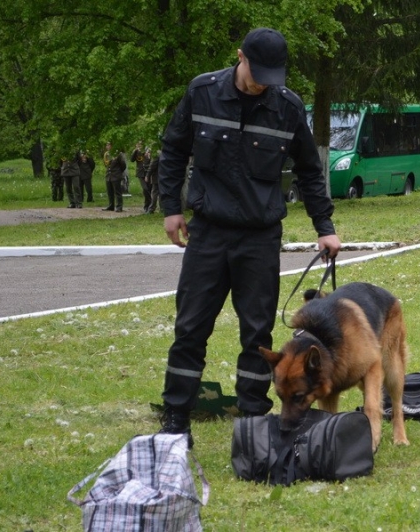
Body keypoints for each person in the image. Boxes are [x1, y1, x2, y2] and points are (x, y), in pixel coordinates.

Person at [157, 27, 341, 440]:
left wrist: (324, 228)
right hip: (207, 231)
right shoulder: (202, 91)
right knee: (190, 328)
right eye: (258, 73)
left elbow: (311, 172)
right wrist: (171, 209)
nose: (264, 83)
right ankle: (175, 418)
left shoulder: (288, 107)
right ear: (240, 57)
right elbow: (173, 149)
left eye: (272, 76)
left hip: (259, 237)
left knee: (257, 333)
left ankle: (254, 418)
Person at [102, 142, 127, 212]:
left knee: (117, 192)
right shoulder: (106, 154)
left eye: (109, 145)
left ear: (112, 146)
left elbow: (123, 165)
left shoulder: (118, 154)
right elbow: (106, 164)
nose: (107, 146)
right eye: (106, 145)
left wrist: (118, 172)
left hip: (116, 175)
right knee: (109, 191)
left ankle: (119, 206)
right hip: (109, 175)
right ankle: (111, 205)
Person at [131, 140, 152, 213]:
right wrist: (135, 151)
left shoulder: (147, 151)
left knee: (149, 189)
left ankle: (148, 206)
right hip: (140, 173)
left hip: (148, 172)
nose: (139, 146)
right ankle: (148, 205)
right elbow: (132, 160)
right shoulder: (136, 152)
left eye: (140, 145)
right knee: (145, 189)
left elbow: (150, 160)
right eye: (137, 145)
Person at [145, 149, 160, 213]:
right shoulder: (162, 153)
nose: (148, 154)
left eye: (148, 152)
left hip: (157, 177)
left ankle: (151, 209)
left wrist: (147, 175)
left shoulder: (155, 156)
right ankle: (162, 209)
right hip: (164, 177)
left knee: (154, 193)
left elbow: (152, 167)